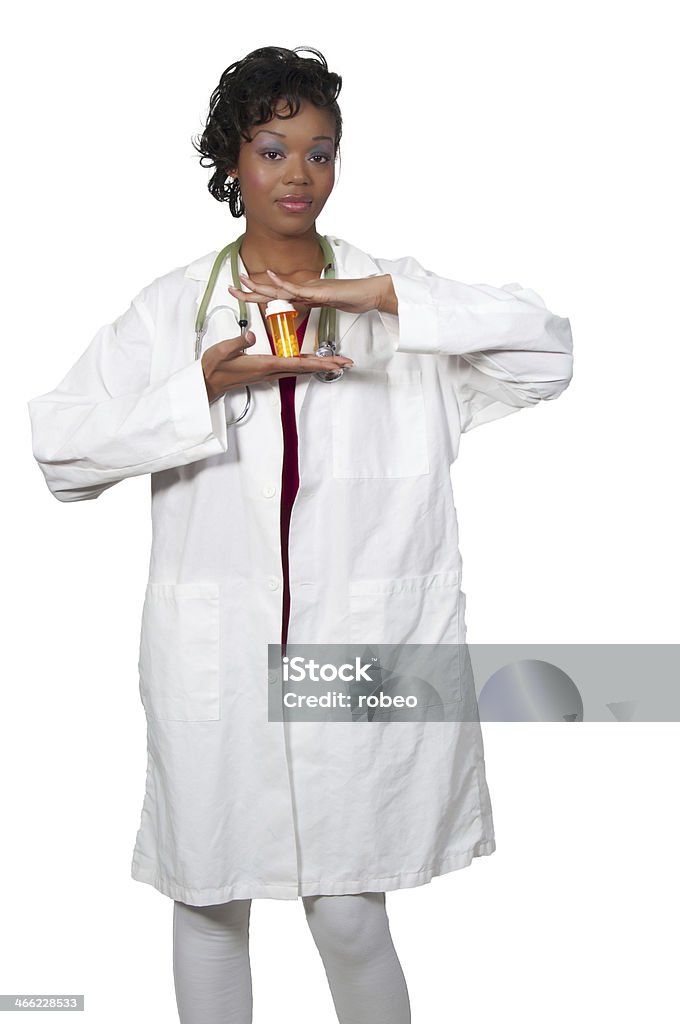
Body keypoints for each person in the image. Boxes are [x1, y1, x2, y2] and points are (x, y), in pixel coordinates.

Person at [27, 45, 574, 1024]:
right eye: (272, 148)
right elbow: (61, 453)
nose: (297, 173)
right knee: (208, 897)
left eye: (319, 152)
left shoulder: (390, 300)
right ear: (231, 164)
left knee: (350, 911)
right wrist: (198, 389)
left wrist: (382, 303)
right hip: (217, 657)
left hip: (351, 659)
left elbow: (546, 352)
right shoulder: (172, 312)